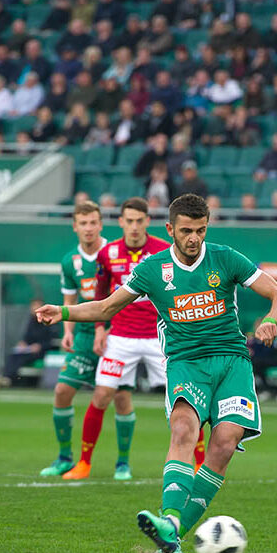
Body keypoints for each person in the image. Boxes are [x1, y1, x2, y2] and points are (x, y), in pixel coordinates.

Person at [35, 194, 277, 553]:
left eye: (200, 230)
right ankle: (169, 518)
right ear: (170, 229)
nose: (194, 238)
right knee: (184, 430)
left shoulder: (226, 258)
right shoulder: (152, 269)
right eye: (186, 231)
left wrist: (271, 320)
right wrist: (62, 311)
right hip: (186, 362)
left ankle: (173, 534)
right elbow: (106, 306)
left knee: (223, 444)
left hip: (232, 361)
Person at [59, 197, 177, 482]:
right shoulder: (108, 253)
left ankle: (198, 465)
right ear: (120, 222)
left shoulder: (164, 250)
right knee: (101, 396)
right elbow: (101, 296)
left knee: (183, 401)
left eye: (139, 221)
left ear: (148, 221)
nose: (134, 227)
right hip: (121, 337)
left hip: (159, 337)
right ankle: (84, 463)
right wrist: (101, 328)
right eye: (129, 221)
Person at [40, 201, 108, 476]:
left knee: (121, 398)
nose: (89, 228)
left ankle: (123, 462)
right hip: (83, 334)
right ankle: (65, 456)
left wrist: (108, 328)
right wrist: (67, 332)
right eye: (83, 223)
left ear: (101, 224)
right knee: (62, 391)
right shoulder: (70, 261)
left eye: (93, 222)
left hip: (115, 333)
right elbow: (70, 299)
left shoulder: (112, 253)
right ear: (75, 226)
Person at [1, 299, 55, 385]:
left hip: (41, 352)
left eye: (37, 306)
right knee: (13, 356)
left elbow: (51, 341)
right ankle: (5, 377)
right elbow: (27, 337)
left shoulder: (49, 321)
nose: (35, 309)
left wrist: (40, 346)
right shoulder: (31, 321)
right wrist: (23, 343)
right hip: (29, 350)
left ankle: (10, 378)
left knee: (21, 358)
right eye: (33, 306)